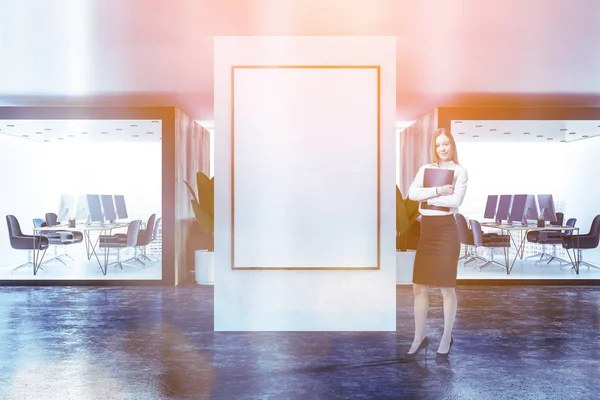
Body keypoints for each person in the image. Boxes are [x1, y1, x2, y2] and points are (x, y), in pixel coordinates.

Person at [406, 128, 468, 358]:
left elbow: (456, 200)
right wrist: (438, 190)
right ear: (435, 147)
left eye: (446, 144)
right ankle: (419, 337)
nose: (443, 148)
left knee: (446, 288)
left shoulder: (460, 172)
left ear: (452, 145)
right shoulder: (426, 169)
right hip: (428, 232)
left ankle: (446, 336)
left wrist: (428, 196)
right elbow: (413, 194)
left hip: (446, 231)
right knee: (418, 287)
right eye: (439, 144)